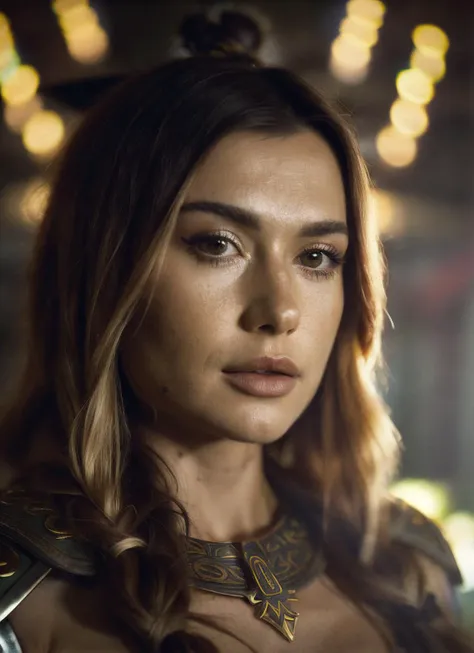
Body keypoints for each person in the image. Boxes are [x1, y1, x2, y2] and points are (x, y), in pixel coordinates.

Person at [0, 6, 471, 653]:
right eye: (216, 243)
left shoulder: (409, 569)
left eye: (316, 257)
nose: (279, 311)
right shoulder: (20, 605)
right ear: (104, 269)